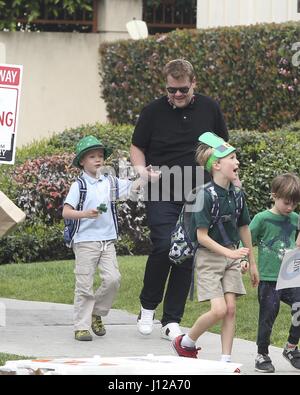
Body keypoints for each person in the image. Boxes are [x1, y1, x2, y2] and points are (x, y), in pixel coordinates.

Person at [130, 59, 229, 341]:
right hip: (161, 189)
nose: (176, 95)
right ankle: (148, 306)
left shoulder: (210, 108)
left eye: (182, 90)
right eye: (171, 90)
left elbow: (221, 146)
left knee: (185, 254)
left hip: (197, 192)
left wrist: (223, 178)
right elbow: (137, 146)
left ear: (193, 84)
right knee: (163, 245)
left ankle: (171, 320)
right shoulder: (153, 111)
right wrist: (140, 171)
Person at [172, 132, 259, 361]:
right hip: (209, 258)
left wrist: (251, 263)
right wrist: (230, 253)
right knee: (219, 310)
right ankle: (186, 341)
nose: (237, 162)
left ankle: (226, 361)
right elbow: (202, 237)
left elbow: (243, 228)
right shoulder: (205, 195)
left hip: (232, 256)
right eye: (232, 157)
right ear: (217, 165)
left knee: (230, 310)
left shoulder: (237, 195)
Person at [63, 135, 151, 341]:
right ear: (82, 161)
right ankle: (81, 326)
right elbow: (66, 212)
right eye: (92, 156)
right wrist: (85, 214)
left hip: (107, 240)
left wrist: (144, 176)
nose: (97, 160)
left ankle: (97, 313)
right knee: (84, 284)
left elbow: (131, 188)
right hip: (85, 241)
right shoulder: (79, 186)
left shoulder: (110, 181)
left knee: (113, 279)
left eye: (100, 156)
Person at [249, 173, 300, 373]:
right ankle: (262, 354)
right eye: (287, 203)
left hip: (290, 277)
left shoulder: (295, 218)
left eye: (295, 204)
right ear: (274, 195)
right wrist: (245, 260)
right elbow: (245, 239)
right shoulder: (262, 219)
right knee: (269, 314)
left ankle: (291, 348)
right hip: (268, 279)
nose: (290, 208)